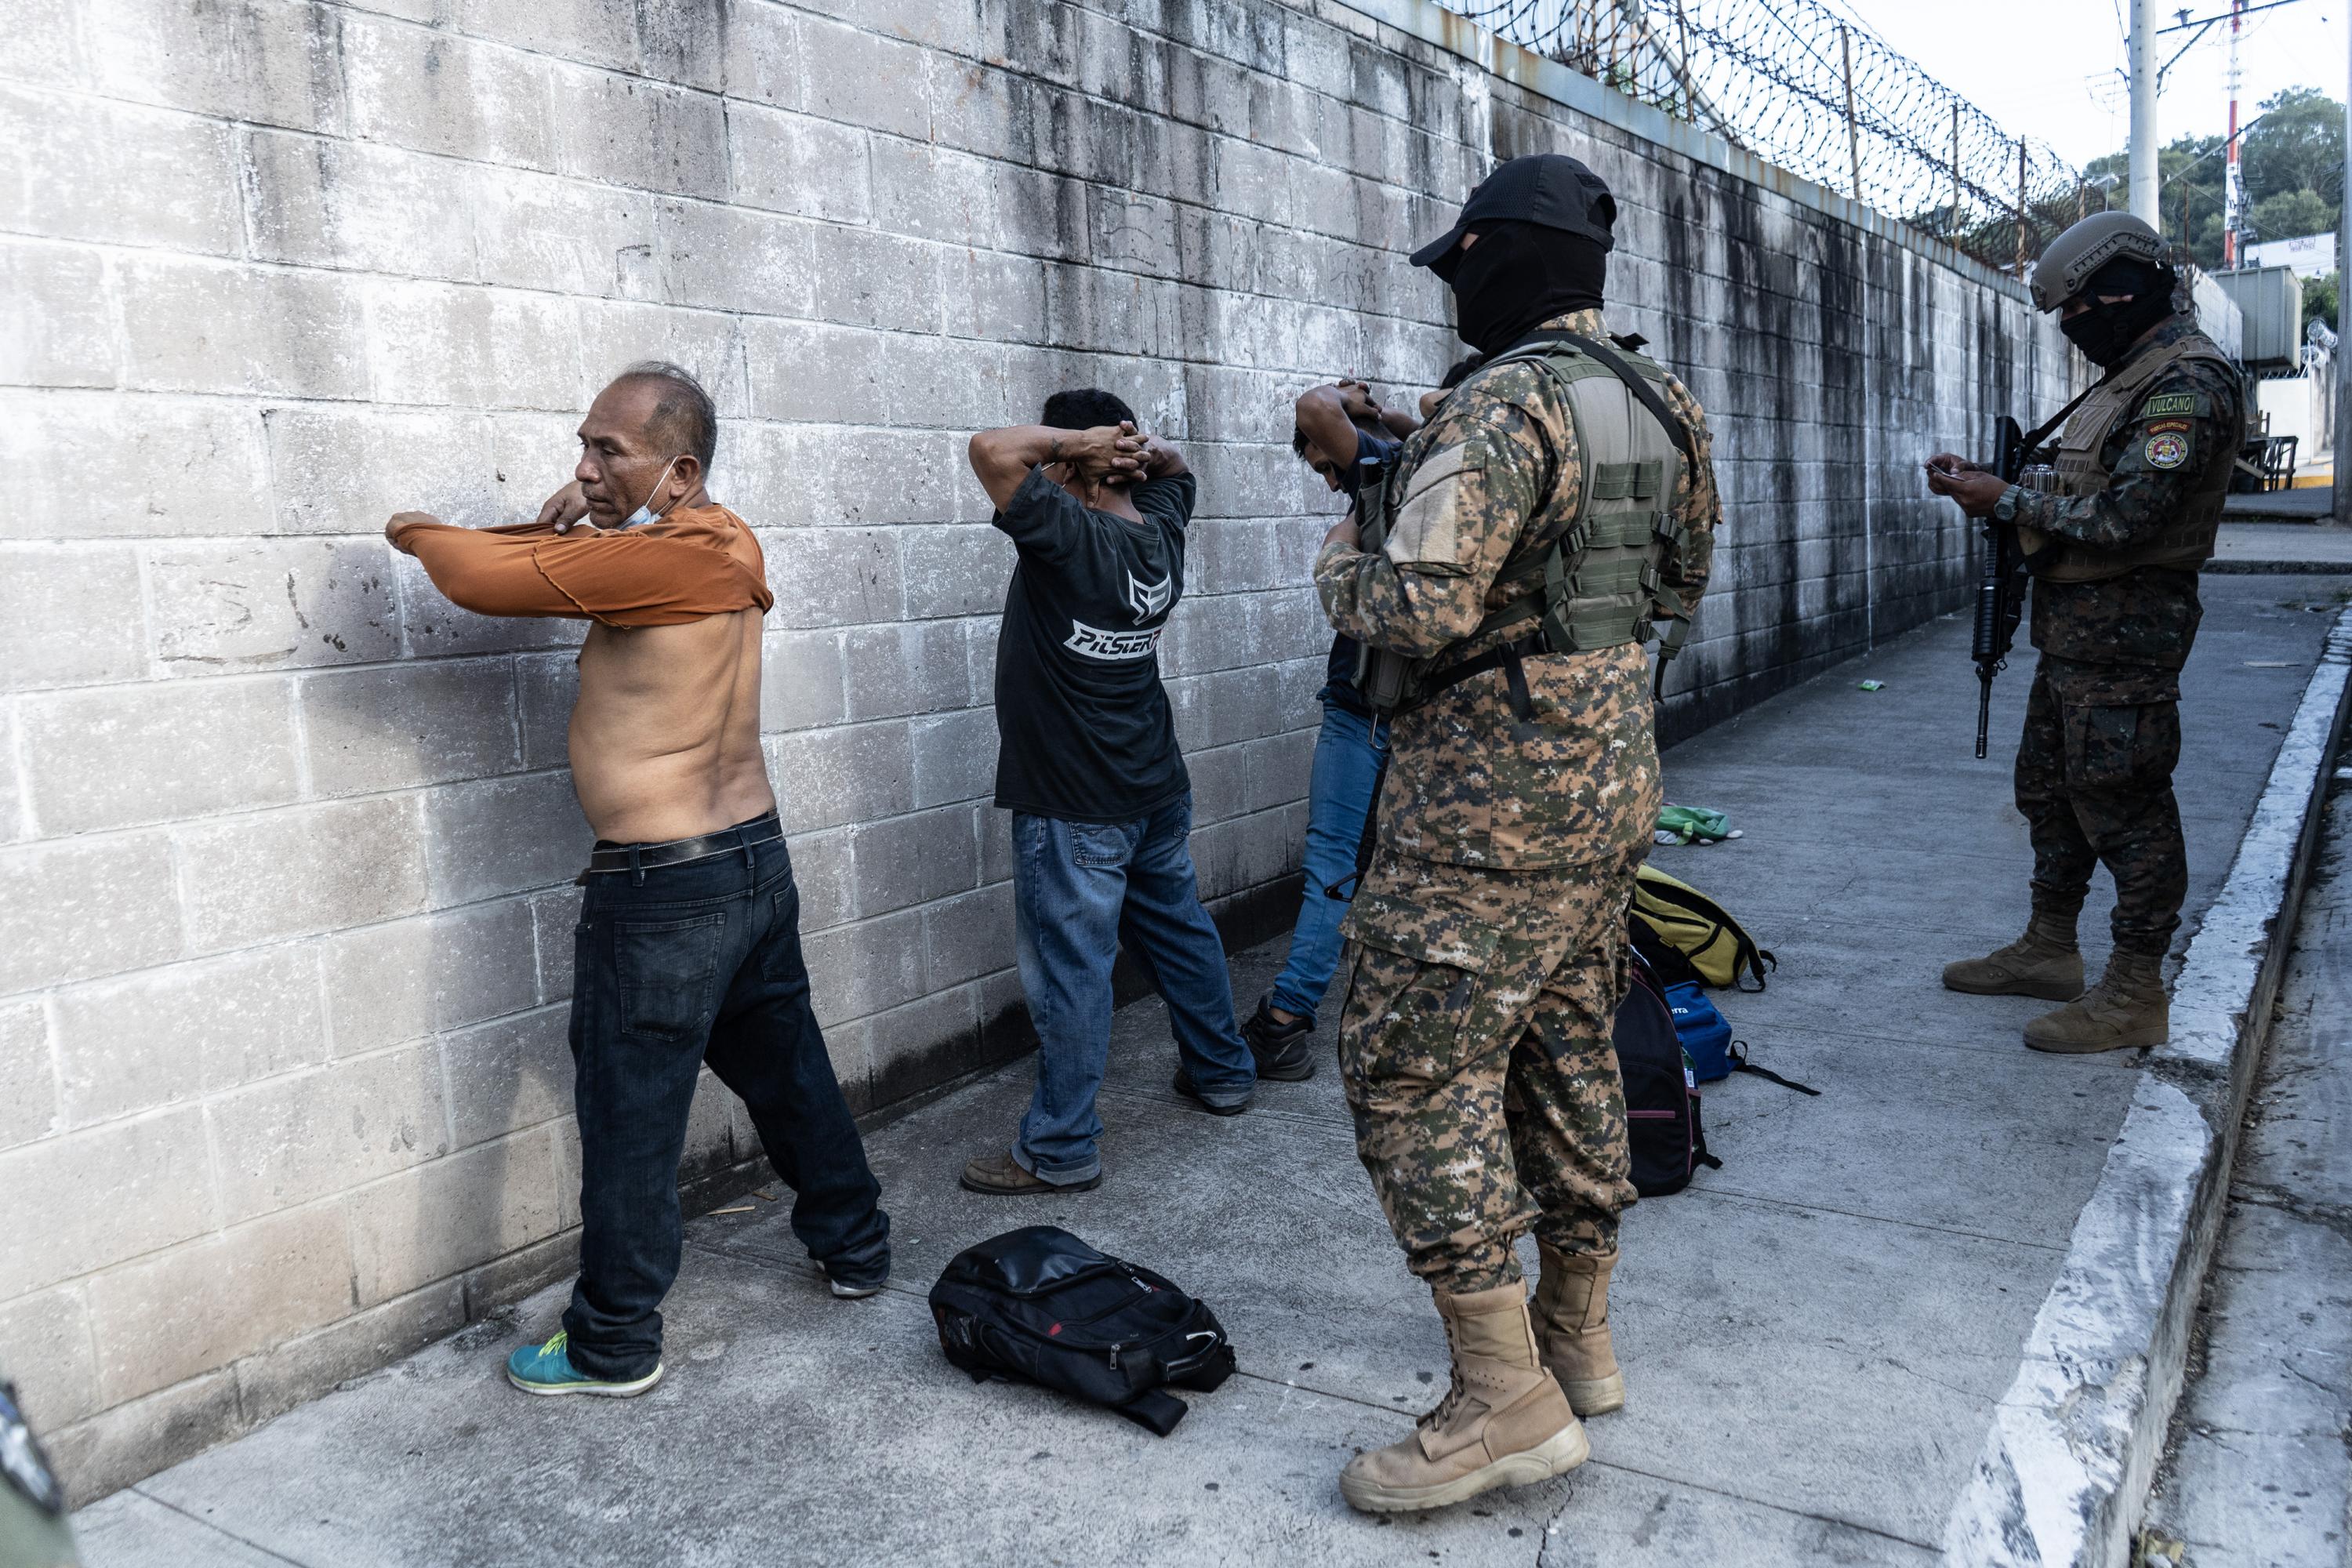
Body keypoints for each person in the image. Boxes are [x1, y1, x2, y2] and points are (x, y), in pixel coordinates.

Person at [1312, 154, 1719, 1513]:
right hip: (1608, 783)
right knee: (1566, 1042)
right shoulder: (1663, 400)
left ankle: (1502, 1401)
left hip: (1481, 810)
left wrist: (1355, 495)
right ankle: (1578, 1341)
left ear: (1495, 255)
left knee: (1413, 1070)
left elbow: (1410, 611)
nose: (1455, 289)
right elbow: (1681, 581)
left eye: (1462, 264)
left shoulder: (1498, 408)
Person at [387, 361, 891, 1399]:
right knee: (788, 1069)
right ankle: (856, 1245)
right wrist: (588, 523)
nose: (583, 466)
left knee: (629, 1117)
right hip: (749, 861)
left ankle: (612, 1342)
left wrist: (410, 522)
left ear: (680, 468)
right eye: (582, 445)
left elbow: (472, 575)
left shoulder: (655, 565)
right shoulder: (727, 541)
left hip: (661, 893)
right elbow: (593, 567)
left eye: (607, 450)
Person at [1928, 211, 2241, 1054]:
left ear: (2123, 289)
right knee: (2052, 791)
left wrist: (2007, 501)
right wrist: (2000, 480)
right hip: (2073, 633)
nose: (2073, 326)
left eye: (2077, 310)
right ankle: (2050, 947)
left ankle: (2135, 987)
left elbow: (2131, 516)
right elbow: (2087, 481)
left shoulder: (2187, 384)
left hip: (2128, 638)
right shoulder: (2130, 376)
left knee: (2127, 805)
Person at [956, 391, 1259, 1196]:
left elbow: (990, 448)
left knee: (1072, 976)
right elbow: (1178, 471)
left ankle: (1059, 1148)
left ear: (1070, 467)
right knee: (1181, 931)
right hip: (1153, 786)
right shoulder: (1159, 528)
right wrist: (1136, 448)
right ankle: (1223, 1072)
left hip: (1075, 806)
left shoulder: (1070, 536)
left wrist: (1080, 444)